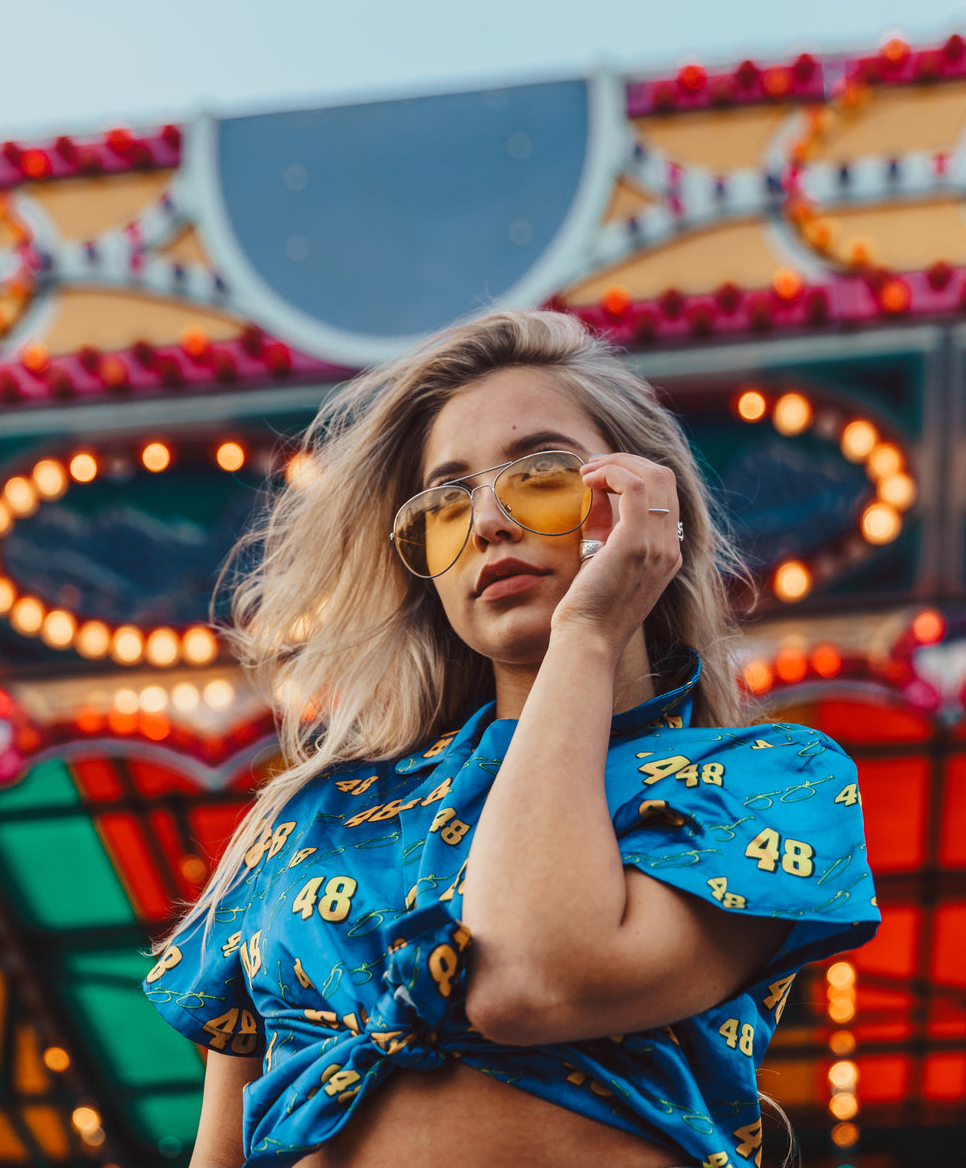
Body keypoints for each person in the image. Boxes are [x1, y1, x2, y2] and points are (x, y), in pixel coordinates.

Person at [143, 309, 879, 1168]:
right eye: (448, 501)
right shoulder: (309, 813)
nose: (489, 521)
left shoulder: (767, 782)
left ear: (645, 497)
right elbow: (219, 1151)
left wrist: (591, 631)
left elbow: (530, 976)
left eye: (541, 473)